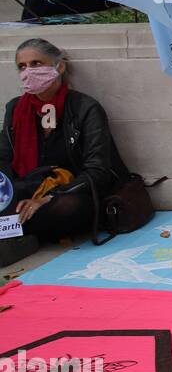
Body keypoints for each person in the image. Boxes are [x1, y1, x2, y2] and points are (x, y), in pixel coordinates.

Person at [0, 39, 132, 266]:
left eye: (36, 63)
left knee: (68, 208)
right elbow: (3, 156)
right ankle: (16, 234)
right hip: (27, 189)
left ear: (58, 67)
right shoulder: (15, 109)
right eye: (22, 67)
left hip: (73, 193)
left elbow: (97, 171)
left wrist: (49, 198)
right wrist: (8, 195)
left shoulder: (84, 108)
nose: (28, 72)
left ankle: (13, 233)